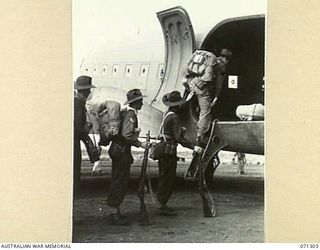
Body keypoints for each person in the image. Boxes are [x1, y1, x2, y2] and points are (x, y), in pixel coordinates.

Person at [107, 88, 148, 225]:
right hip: (122, 152)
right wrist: (140, 144)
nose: (142, 103)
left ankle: (115, 210)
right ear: (135, 103)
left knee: (118, 180)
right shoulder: (131, 115)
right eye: (140, 101)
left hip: (119, 151)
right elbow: (126, 134)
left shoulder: (126, 113)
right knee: (120, 181)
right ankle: (114, 212)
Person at [182, 48, 232, 153]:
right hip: (201, 87)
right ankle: (200, 139)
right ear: (226, 59)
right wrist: (216, 97)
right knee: (206, 111)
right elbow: (218, 83)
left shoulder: (206, 59)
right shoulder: (221, 66)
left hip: (191, 84)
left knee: (195, 105)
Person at [156, 91, 188, 215]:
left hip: (163, 147)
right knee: (168, 177)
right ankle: (162, 203)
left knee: (163, 175)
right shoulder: (175, 116)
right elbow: (178, 137)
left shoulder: (166, 114)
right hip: (169, 149)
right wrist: (192, 146)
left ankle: (161, 202)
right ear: (177, 105)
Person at [74, 75, 96, 194]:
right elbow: (77, 126)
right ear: (86, 91)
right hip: (74, 141)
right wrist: (86, 128)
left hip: (74, 140)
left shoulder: (77, 101)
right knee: (75, 168)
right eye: (88, 90)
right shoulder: (78, 103)